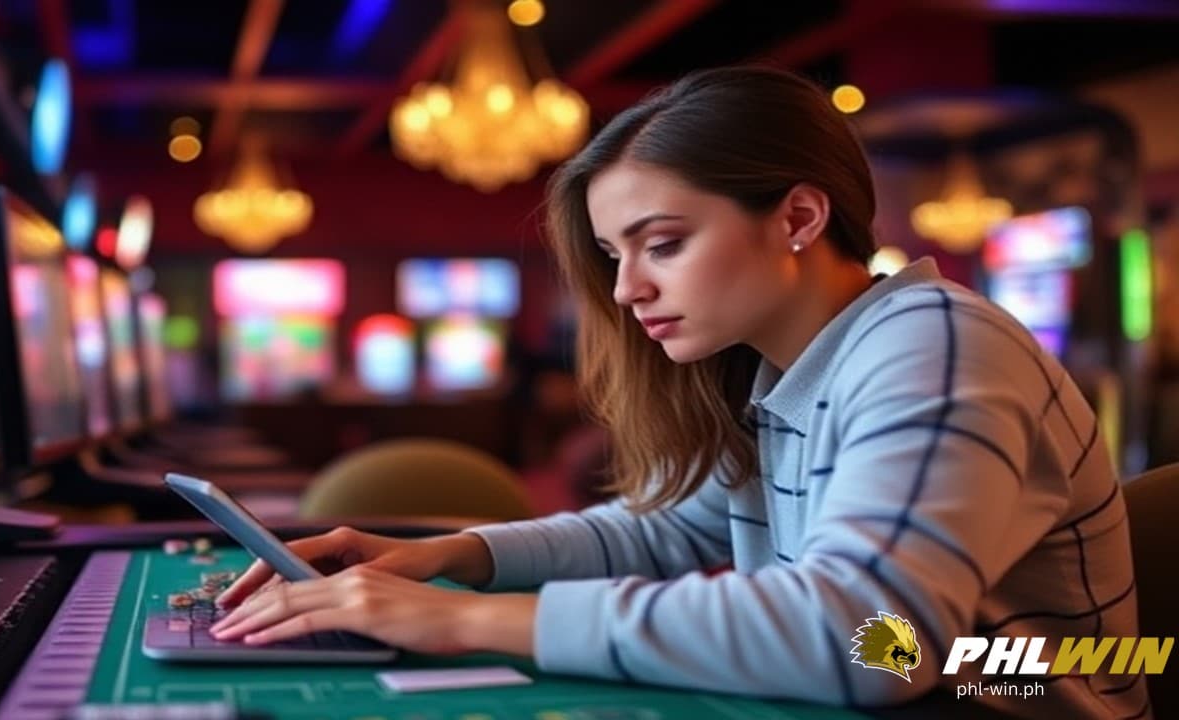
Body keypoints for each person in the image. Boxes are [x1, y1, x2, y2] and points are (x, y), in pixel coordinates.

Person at [210, 66, 1145, 718]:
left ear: (799, 216)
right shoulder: (785, 364)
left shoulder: (933, 344)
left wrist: (460, 618)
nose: (625, 291)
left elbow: (873, 639)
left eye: (662, 243)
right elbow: (669, 532)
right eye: (618, 256)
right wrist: (444, 556)